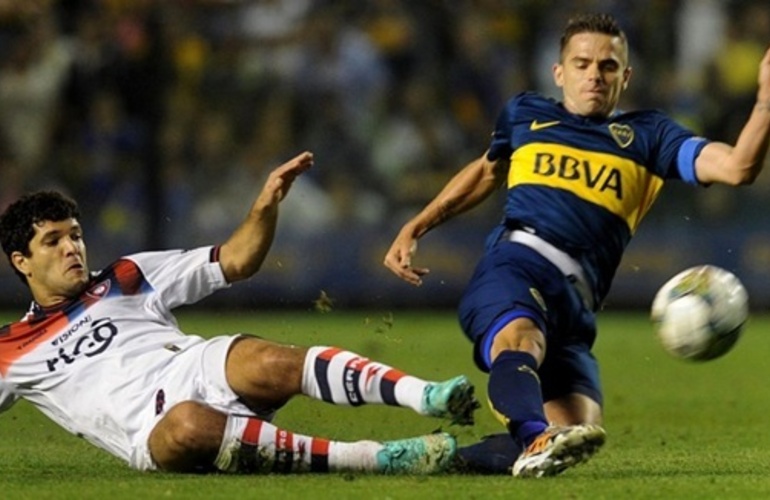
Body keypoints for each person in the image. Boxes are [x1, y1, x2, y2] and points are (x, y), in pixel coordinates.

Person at [384, 13, 770, 477]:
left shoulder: (650, 135)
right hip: (516, 264)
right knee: (521, 341)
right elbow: (486, 171)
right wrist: (418, 225)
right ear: (559, 72)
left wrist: (766, 102)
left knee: (576, 435)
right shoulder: (526, 113)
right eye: (582, 63)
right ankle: (532, 434)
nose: (594, 75)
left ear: (625, 76)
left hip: (576, 304)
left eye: (608, 67)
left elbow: (737, 169)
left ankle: (438, 458)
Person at [0, 151, 479, 474]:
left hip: (193, 366)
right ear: (21, 261)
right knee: (187, 424)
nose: (72, 248)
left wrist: (266, 204)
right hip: (152, 429)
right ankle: (374, 458)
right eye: (54, 241)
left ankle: (428, 395)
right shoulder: (10, 349)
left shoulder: (127, 275)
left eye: (75, 234)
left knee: (266, 359)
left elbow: (236, 259)